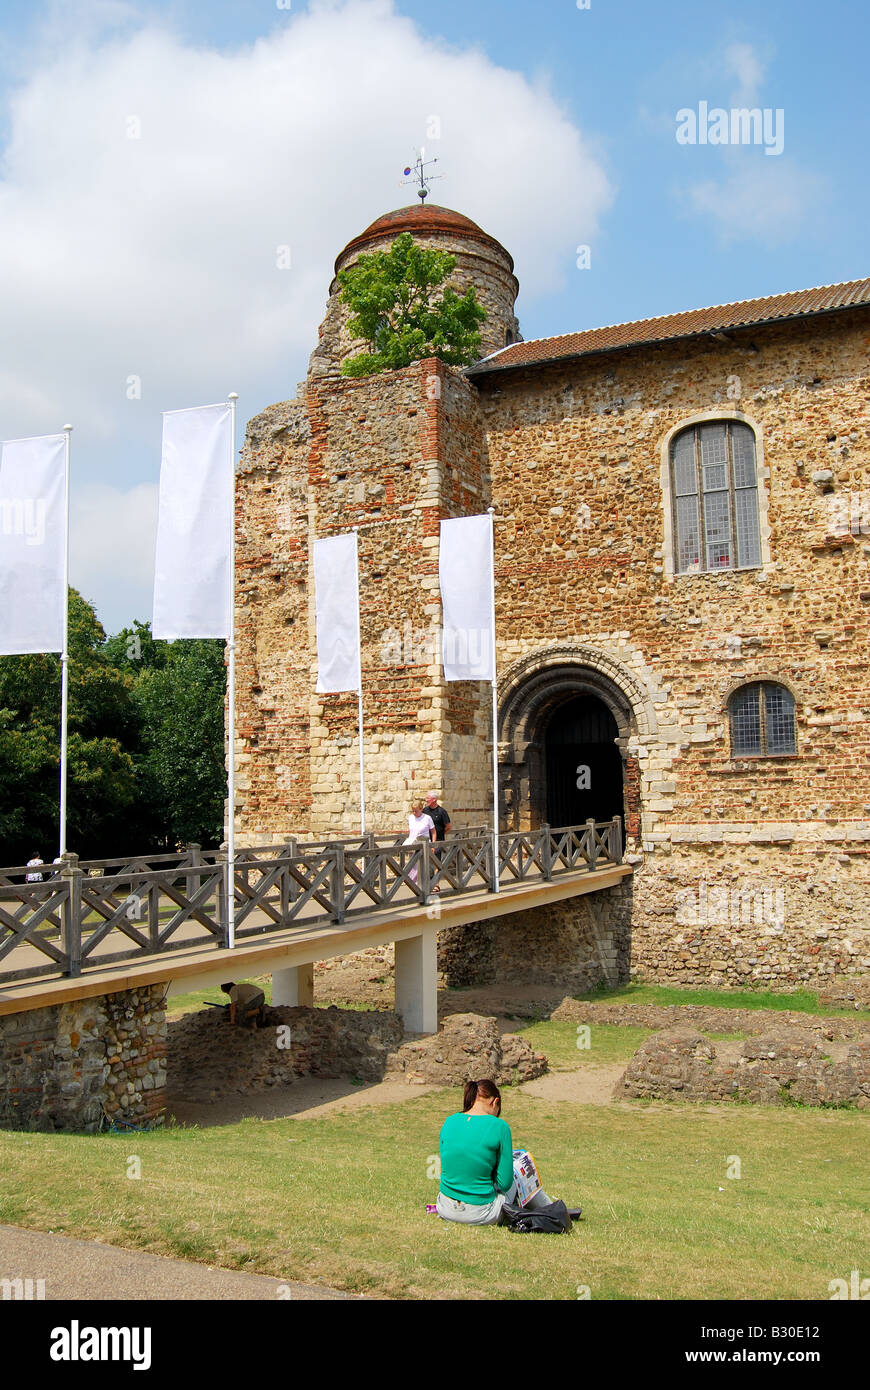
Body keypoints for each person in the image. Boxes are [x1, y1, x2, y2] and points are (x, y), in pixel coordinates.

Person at [436, 1078, 565, 1226]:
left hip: (445, 1207)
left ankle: (550, 1209)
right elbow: (505, 1183)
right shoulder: (499, 1127)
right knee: (519, 1171)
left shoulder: (449, 1121)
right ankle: (551, 1210)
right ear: (495, 1102)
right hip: (480, 1212)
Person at [403, 799, 436, 887]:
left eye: (416, 811)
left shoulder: (427, 818)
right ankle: (414, 885)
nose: (414, 813)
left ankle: (425, 885)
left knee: (423, 865)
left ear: (421, 809)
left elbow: (433, 831)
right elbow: (410, 832)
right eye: (413, 811)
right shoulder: (410, 818)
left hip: (424, 845)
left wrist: (433, 844)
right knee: (413, 865)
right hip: (413, 844)